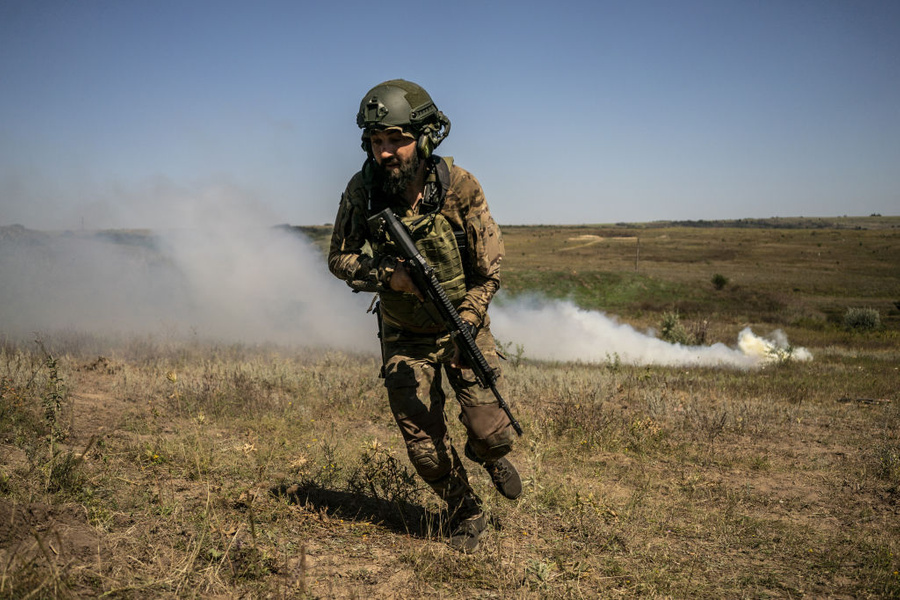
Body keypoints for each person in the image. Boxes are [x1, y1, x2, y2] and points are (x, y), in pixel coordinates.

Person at [328, 79, 522, 553]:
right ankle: (464, 510)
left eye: (396, 139)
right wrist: (385, 275)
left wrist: (468, 323)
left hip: (462, 325)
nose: (385, 152)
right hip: (404, 333)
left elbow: (489, 271)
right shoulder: (363, 190)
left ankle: (488, 455)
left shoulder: (459, 188)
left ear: (426, 136)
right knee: (424, 447)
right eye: (376, 142)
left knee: (493, 435)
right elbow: (339, 257)